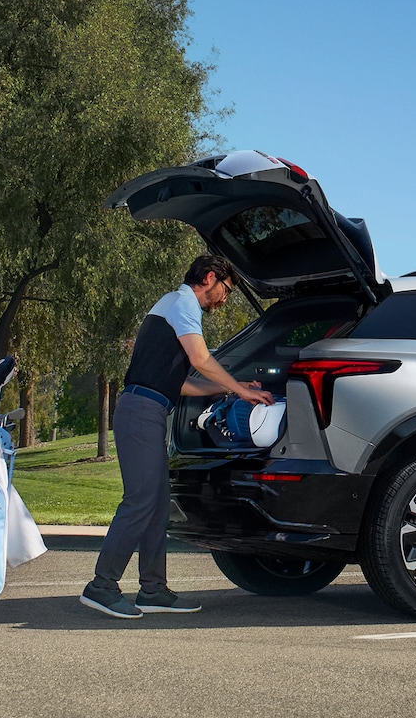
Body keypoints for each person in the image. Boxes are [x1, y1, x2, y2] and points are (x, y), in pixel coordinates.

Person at [82, 253, 275, 619]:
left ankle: (153, 590)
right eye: (226, 289)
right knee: (140, 500)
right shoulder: (183, 302)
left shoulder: (173, 306)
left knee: (155, 504)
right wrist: (241, 389)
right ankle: (101, 586)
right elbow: (201, 359)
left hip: (149, 409)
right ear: (208, 277)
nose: (224, 298)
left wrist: (229, 391)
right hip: (141, 411)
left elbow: (181, 382)